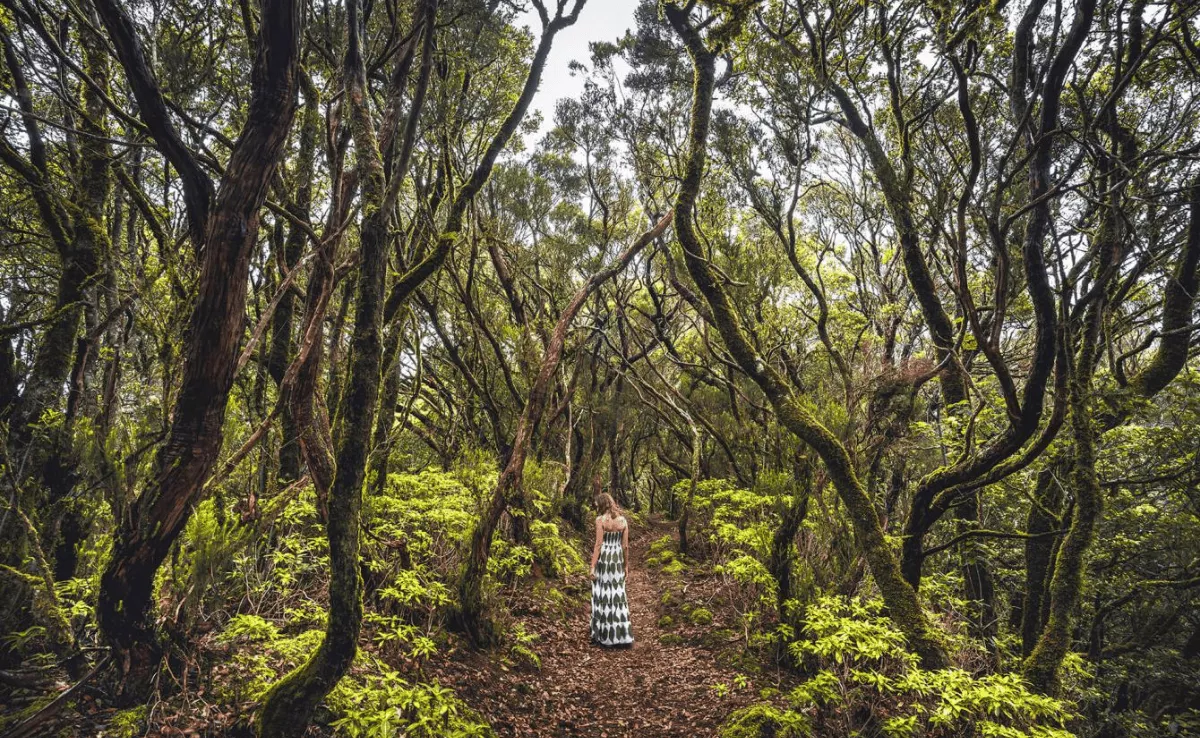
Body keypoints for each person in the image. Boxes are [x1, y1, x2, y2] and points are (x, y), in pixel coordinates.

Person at [589, 492, 633, 647]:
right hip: (617, 559)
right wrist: (626, 565)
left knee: (604, 593)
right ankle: (621, 635)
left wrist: (592, 566)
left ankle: (602, 634)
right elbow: (625, 546)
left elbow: (598, 545)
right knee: (618, 593)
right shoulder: (623, 521)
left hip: (605, 559)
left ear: (601, 505)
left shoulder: (600, 520)